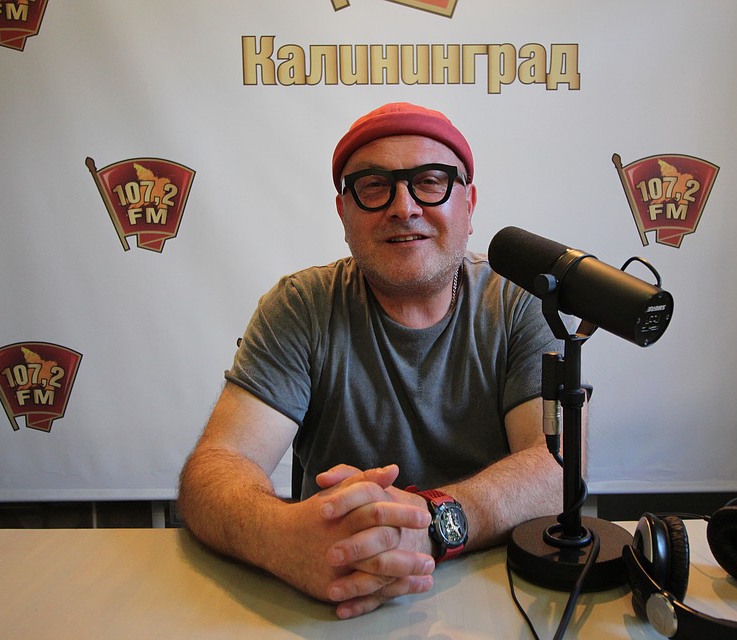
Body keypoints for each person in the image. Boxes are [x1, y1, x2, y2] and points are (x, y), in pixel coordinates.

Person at [177, 102, 568, 620]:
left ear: (469, 204)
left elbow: (557, 465)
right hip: (334, 602)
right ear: (344, 213)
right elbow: (216, 466)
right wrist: (282, 536)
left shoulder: (520, 303)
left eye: (430, 182)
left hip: (497, 596)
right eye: (374, 186)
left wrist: (429, 522)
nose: (404, 207)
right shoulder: (301, 307)